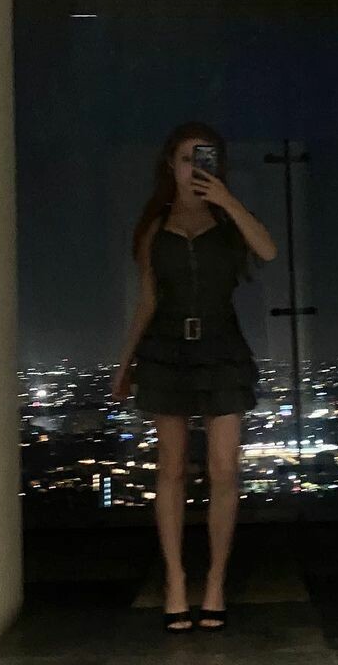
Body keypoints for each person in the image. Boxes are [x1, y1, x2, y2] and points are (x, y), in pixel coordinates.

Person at [111, 122, 277, 632]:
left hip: (222, 348)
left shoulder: (228, 220)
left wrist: (227, 200)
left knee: (225, 469)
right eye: (186, 158)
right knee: (171, 470)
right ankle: (177, 581)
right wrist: (125, 363)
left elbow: (267, 251)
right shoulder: (154, 226)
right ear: (170, 164)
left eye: (204, 159)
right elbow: (147, 300)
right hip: (166, 350)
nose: (194, 168)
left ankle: (216, 582)